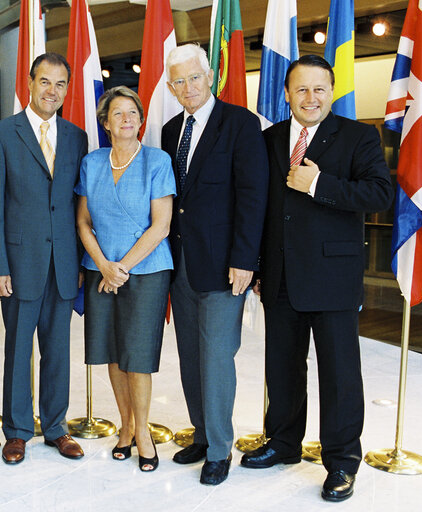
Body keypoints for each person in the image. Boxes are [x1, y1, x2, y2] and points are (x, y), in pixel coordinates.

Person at [240, 55, 393, 502]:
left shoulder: (359, 136)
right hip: (282, 276)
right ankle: (283, 443)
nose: (311, 98)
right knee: (283, 369)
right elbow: (261, 209)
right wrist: (260, 268)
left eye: (319, 89)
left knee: (340, 375)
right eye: (301, 89)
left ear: (332, 92)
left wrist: (319, 184)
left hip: (333, 278)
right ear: (286, 94)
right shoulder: (268, 140)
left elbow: (379, 193)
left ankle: (342, 461)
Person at [161, 44, 269, 485]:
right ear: (170, 86)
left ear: (210, 77)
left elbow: (253, 196)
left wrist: (247, 260)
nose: (187, 87)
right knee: (189, 356)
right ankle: (203, 436)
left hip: (226, 266)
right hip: (180, 263)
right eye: (178, 81)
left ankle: (221, 450)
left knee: (217, 358)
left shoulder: (241, 124)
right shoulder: (169, 131)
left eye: (194, 78)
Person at [0, 52, 88, 464]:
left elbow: (78, 203)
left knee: (57, 351)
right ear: (29, 82)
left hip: (63, 265)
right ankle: (18, 430)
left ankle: (56, 427)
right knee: (18, 350)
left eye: (61, 84)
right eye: (45, 81)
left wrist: (78, 262)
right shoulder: (1, 134)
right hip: (18, 265)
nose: (52, 91)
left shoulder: (76, 137)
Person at [75, 86, 175, 472]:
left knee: (138, 355)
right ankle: (126, 426)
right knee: (112, 352)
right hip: (99, 269)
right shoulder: (92, 163)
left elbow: (161, 226)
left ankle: (145, 431)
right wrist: (103, 264)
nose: (127, 118)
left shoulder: (156, 160)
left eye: (133, 112)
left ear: (141, 120)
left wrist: (121, 269)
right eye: (118, 113)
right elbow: (83, 221)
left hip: (146, 270)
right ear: (106, 123)